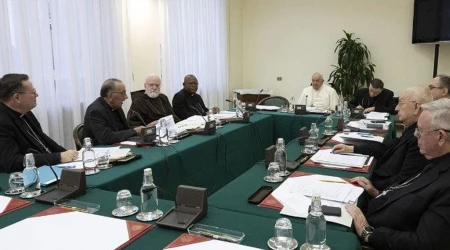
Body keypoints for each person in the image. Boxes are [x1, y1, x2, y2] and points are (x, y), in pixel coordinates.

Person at [345, 98, 450, 250]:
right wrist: (377, 193)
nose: (415, 135)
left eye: (420, 130)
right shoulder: (437, 160)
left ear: (440, 137)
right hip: (378, 212)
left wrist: (368, 233)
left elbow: (424, 244)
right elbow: (412, 194)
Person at [333, 86, 433, 190]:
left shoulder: (420, 138)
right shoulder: (411, 129)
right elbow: (386, 148)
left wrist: (376, 191)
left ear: (416, 107)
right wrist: (351, 148)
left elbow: (404, 180)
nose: (396, 108)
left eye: (401, 103)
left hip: (384, 188)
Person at [0, 73, 78, 173]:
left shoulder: (26, 112)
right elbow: (13, 161)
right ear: (17, 98)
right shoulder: (2, 121)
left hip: (46, 168)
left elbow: (42, 139)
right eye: (33, 92)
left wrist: (65, 153)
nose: (37, 95)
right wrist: (58, 157)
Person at [83, 78, 145, 145]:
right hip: (99, 150)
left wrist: (141, 128)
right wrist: (135, 131)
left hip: (117, 146)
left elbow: (125, 129)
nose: (126, 97)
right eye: (123, 93)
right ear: (110, 96)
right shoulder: (95, 111)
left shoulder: (117, 107)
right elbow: (106, 137)